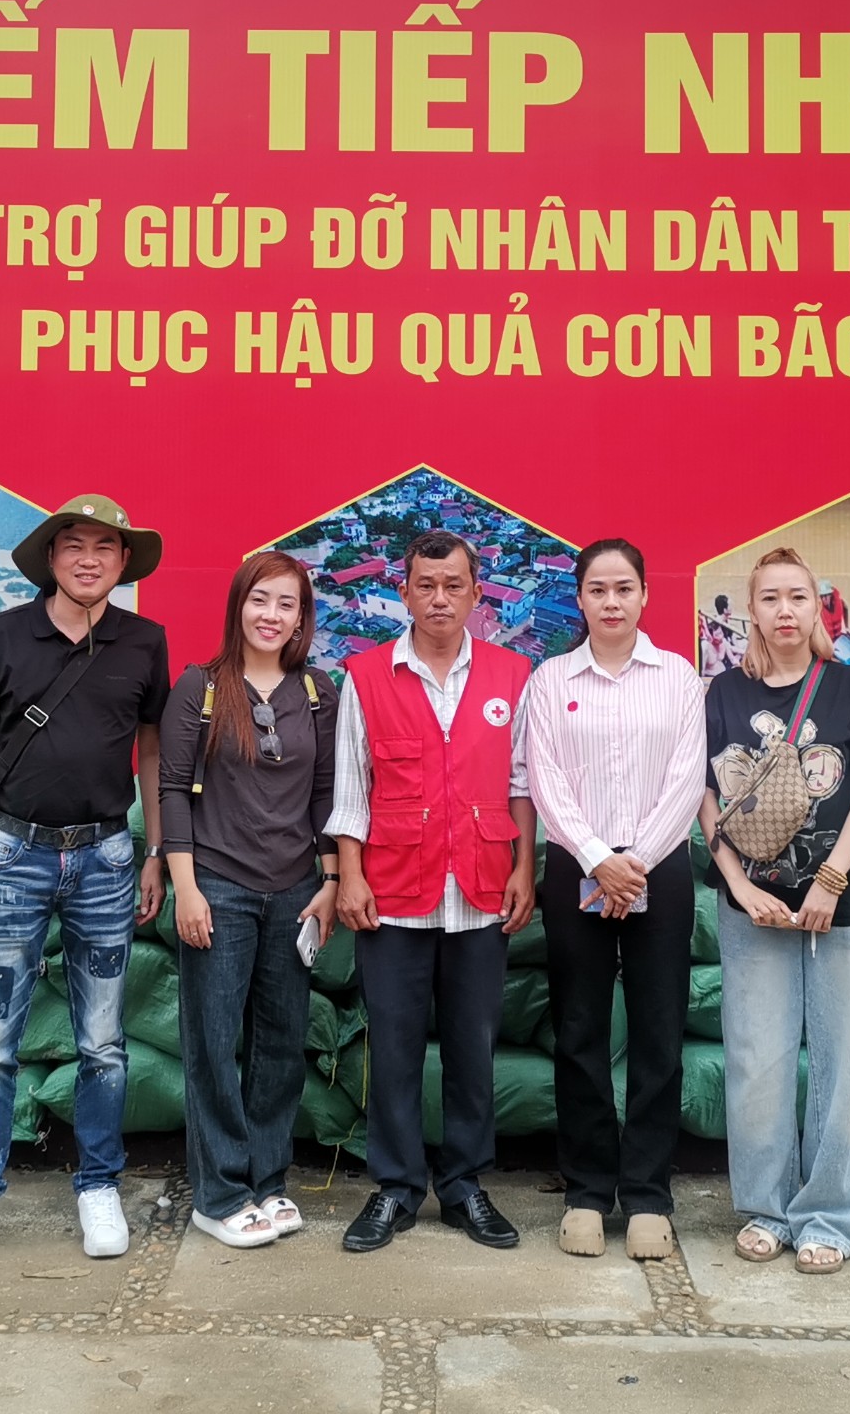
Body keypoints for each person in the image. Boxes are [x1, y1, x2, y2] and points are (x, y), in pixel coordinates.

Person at [0, 495, 170, 1269]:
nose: (89, 559)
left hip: (105, 860)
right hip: (10, 859)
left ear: (123, 561)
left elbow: (152, 753)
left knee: (103, 1041)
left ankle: (98, 1184)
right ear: (51, 558)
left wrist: (156, 851)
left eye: (105, 546)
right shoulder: (1, 636)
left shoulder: (144, 641)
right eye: (74, 546)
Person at [328, 529, 537, 1254]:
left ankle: (465, 1184)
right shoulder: (365, 675)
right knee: (392, 1048)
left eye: (453, 586)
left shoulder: (513, 675)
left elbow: (520, 785)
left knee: (473, 1047)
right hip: (393, 890)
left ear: (476, 593)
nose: (440, 599)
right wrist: (350, 874)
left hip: (481, 886)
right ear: (405, 592)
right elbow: (351, 788)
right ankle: (394, 1187)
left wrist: (524, 868)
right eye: (426, 585)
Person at [701, 546, 850, 1275]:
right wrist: (739, 885)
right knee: (757, 1059)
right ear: (751, 611)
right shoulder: (723, 693)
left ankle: (833, 1217)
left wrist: (831, 881)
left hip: (837, 904)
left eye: (798, 597)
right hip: (751, 905)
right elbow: (705, 796)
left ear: (818, 608)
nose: (785, 610)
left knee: (846, 1061)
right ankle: (767, 1209)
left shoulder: (849, 687)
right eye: (770, 598)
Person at [517, 537, 704, 1262]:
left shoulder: (678, 678)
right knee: (580, 1031)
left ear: (645, 595)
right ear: (580, 599)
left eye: (624, 588)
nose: (612, 601)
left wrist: (637, 864)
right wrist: (599, 859)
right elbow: (545, 779)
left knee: (659, 1032)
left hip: (661, 865)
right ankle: (588, 1192)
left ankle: (650, 1194)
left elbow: (687, 778)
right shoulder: (550, 680)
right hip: (577, 866)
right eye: (597, 589)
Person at [160, 551, 338, 1249]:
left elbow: (325, 795)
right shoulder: (201, 687)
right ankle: (219, 1195)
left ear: (302, 617)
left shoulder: (318, 693)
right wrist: (185, 888)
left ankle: (268, 1181)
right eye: (260, 599)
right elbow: (173, 790)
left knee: (281, 1043)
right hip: (218, 886)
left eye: (286, 604)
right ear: (238, 606)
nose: (271, 615)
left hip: (294, 890)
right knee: (212, 1042)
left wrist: (329, 882)